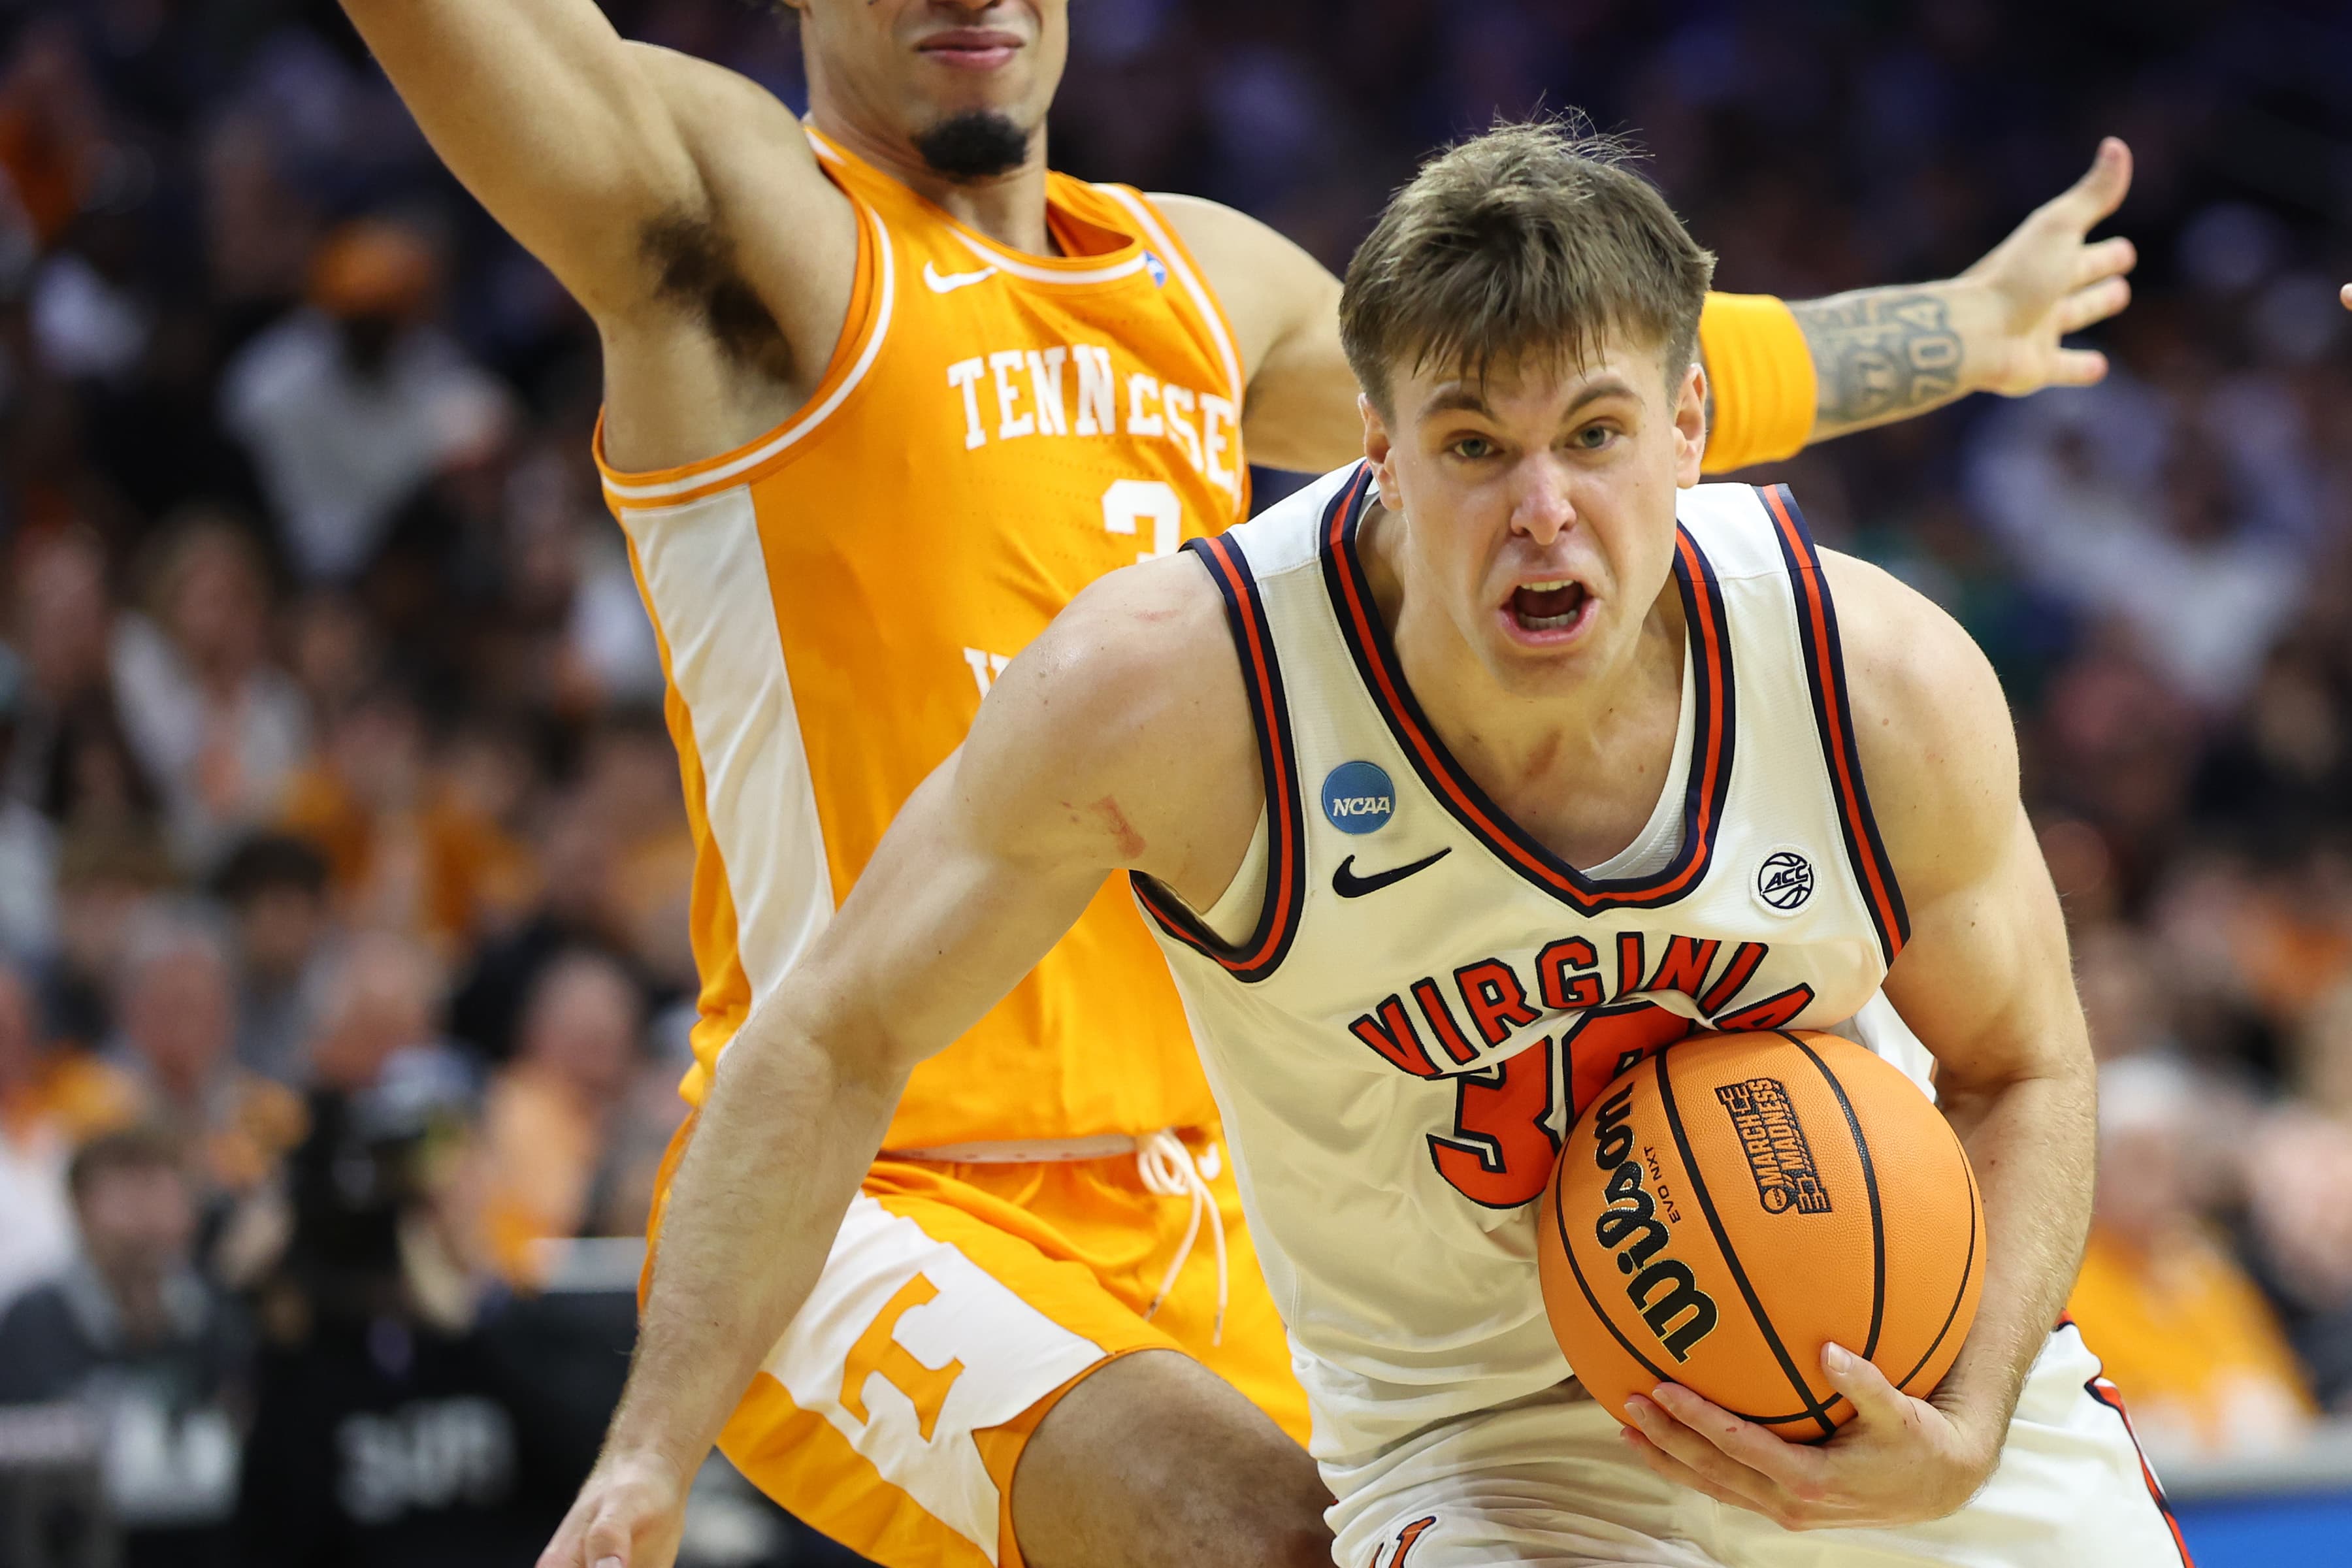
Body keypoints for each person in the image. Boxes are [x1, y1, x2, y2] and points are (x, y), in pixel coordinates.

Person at [341, 3, 2136, 1562]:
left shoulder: (1195, 280)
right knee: (1271, 1548)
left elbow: (1565, 381)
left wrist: (1957, 328)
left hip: (1214, 1187)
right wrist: (643, 1462)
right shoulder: (749, 233)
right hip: (878, 1171)